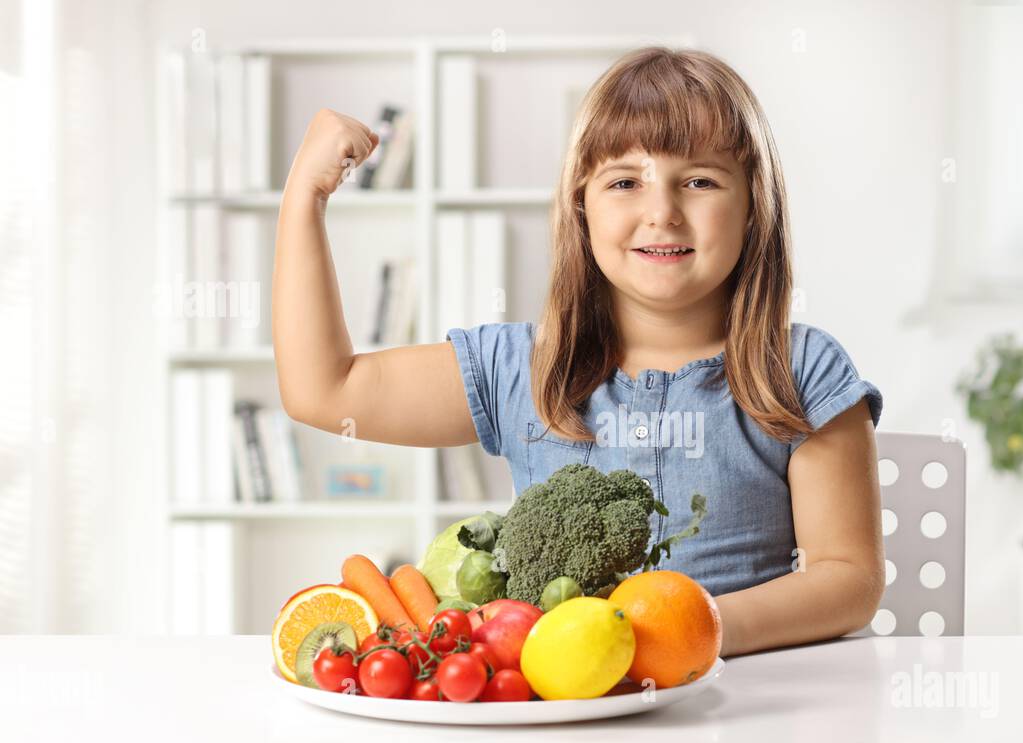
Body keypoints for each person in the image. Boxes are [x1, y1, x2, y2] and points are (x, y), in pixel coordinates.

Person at [273, 47, 885, 656]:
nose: (662, 212)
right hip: (568, 724)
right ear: (581, 205)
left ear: (753, 206)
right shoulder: (516, 370)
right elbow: (323, 391)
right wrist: (305, 199)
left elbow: (848, 579)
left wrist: (691, 633)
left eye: (700, 180)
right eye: (625, 182)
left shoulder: (801, 370)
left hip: (745, 710)